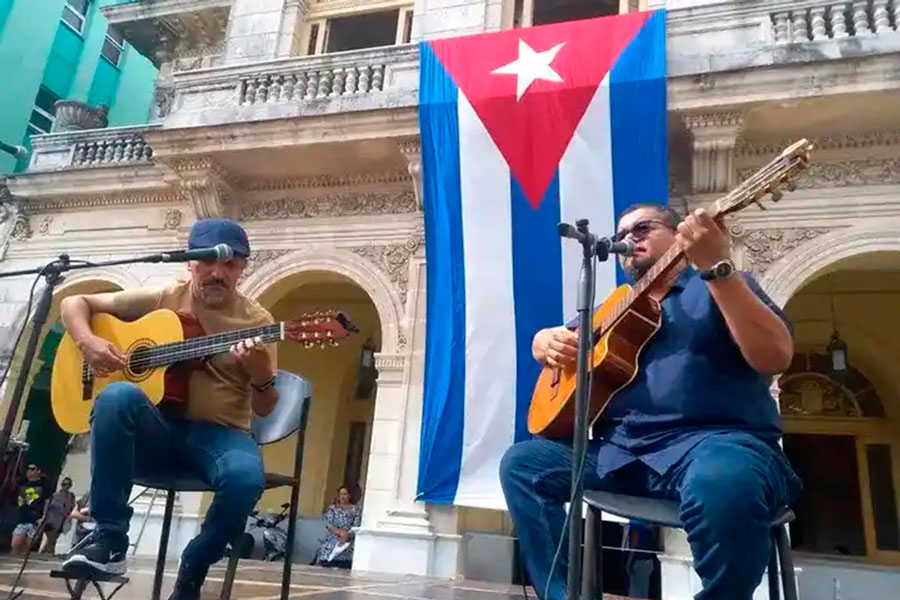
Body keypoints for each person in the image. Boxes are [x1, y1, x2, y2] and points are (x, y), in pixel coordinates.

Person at [499, 204, 803, 600]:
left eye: (642, 228)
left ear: (680, 234)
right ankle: (562, 595)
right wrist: (542, 341)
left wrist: (717, 268)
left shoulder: (720, 284)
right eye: (623, 232)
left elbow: (775, 357)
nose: (629, 239)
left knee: (722, 481)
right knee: (523, 465)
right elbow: (559, 342)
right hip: (622, 455)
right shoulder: (613, 306)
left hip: (716, 445)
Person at [59, 218, 279, 600]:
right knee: (116, 397)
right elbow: (73, 302)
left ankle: (195, 562)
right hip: (156, 429)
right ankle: (110, 539)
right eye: (208, 261)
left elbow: (264, 407)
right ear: (190, 263)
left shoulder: (257, 322)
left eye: (230, 264)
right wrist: (88, 342)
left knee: (245, 481)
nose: (217, 272)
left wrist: (261, 375)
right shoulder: (164, 298)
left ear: (243, 268)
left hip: (220, 436)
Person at [315, 486, 361, 569]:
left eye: (345, 494)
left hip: (348, 540)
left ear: (349, 496)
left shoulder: (355, 509)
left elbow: (356, 525)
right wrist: (339, 532)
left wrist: (347, 535)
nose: (343, 497)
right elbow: (328, 524)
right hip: (334, 538)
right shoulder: (333, 508)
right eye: (341, 494)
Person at [11, 464, 49, 555]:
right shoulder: (22, 483)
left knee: (27, 546)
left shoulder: (43, 485)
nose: (29, 471)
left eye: (32, 469)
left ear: (38, 471)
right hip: (21, 517)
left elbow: (47, 502)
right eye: (27, 469)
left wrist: (44, 517)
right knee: (15, 544)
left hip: (35, 519)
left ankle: (21, 565)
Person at [39, 476, 77, 554]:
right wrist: (44, 517)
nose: (66, 486)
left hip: (62, 521)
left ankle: (43, 553)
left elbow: (72, 507)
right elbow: (47, 507)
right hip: (51, 520)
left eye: (68, 484)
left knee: (52, 540)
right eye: (64, 484)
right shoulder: (54, 495)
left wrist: (69, 517)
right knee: (52, 539)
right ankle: (49, 554)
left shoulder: (71, 496)